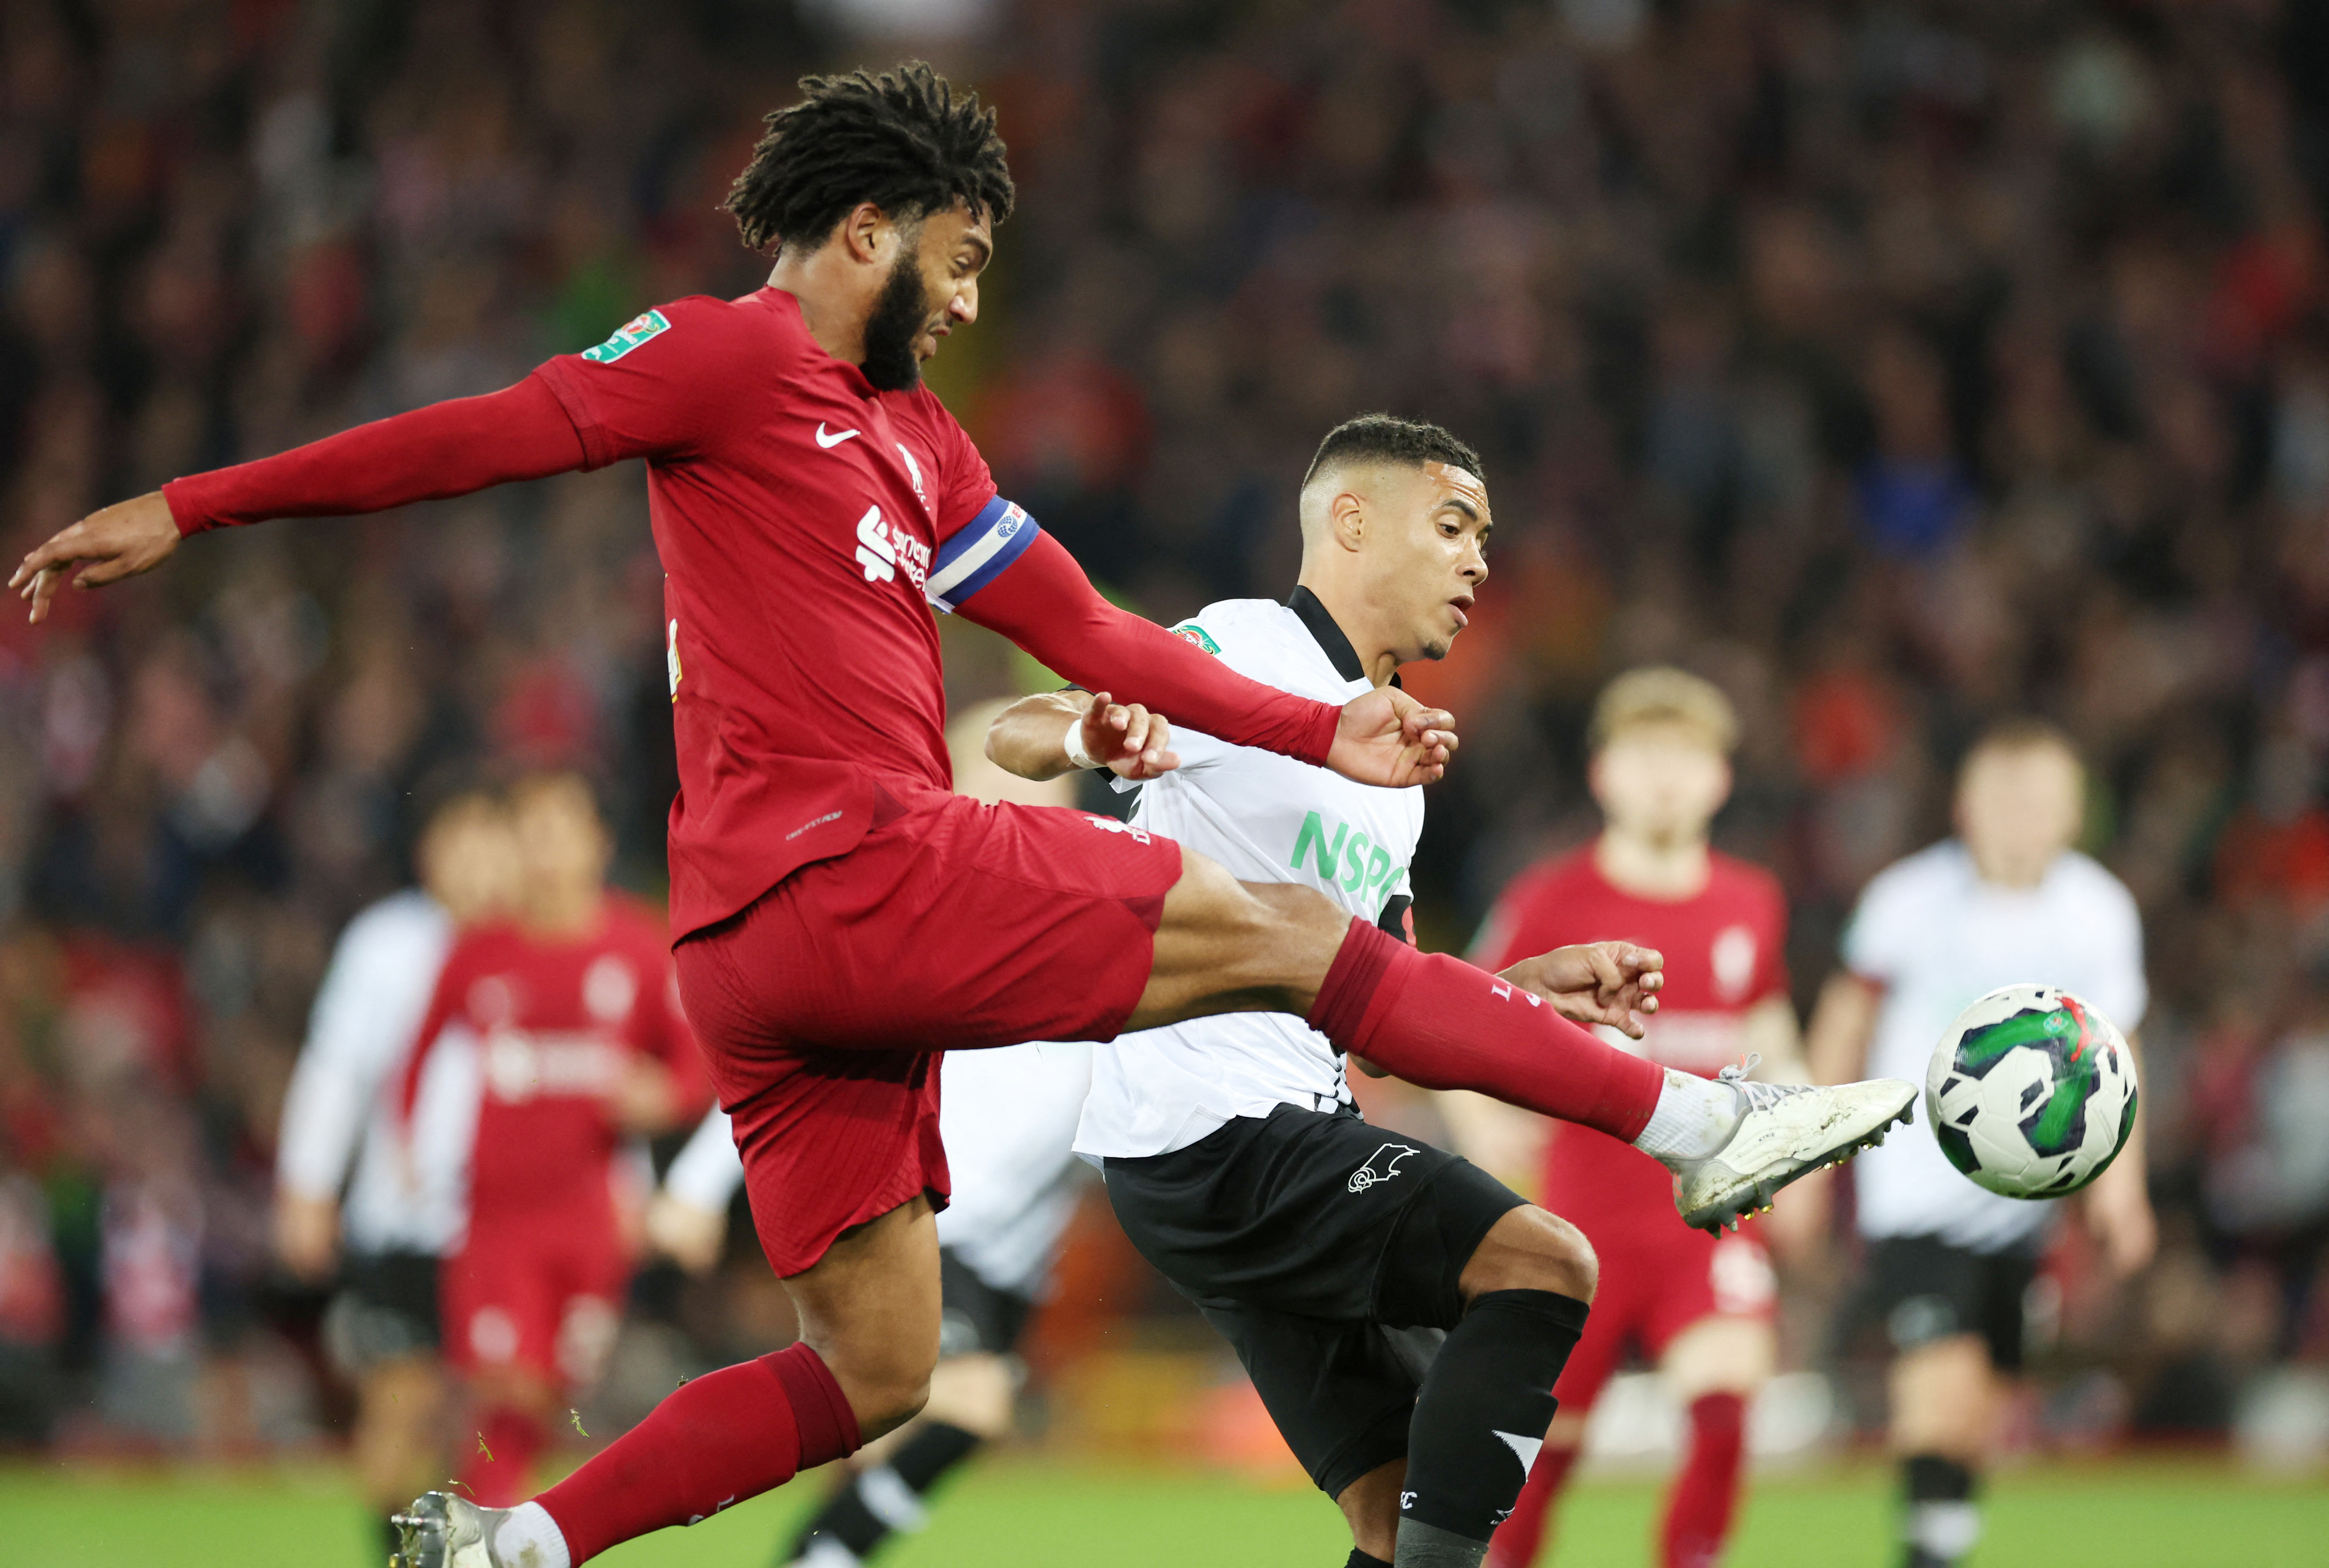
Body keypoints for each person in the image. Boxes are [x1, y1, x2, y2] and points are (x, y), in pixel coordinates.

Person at [10, 63, 1913, 1568]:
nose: (978, 296)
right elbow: (484, 430)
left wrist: (1312, 733)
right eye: (963, 260)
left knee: (882, 1367)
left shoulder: (921, 444)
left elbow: (1080, 627)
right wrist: (197, 500)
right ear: (866, 231)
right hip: (841, 862)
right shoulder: (729, 354)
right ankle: (1706, 1123)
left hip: (776, 966)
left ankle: (525, 1537)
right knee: (1270, 938)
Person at [984, 422, 1901, 1568]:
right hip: (1213, 1130)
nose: (1478, 562)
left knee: (1400, 1501)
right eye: (1454, 526)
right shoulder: (1244, 645)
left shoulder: (1395, 769)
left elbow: (1391, 1025)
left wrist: (1523, 993)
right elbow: (1020, 732)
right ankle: (1702, 1123)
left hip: (1251, 1143)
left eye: (1484, 538)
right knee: (1543, 1259)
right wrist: (1088, 726)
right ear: (1351, 523)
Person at [647, 700, 1100, 1568]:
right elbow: (795, 1049)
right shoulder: (913, 921)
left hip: (1012, 1252)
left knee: (872, 1429)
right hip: (922, 1216)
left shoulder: (1092, 932)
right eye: (994, 784)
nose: (1019, 807)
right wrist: (697, 1186)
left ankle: (816, 1551)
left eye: (1040, 785)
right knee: (968, 1405)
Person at [1459, 669, 1811, 1568]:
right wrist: (1480, 1126)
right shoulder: (1549, 900)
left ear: (1720, 780)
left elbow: (1772, 1037)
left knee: (1726, 1414)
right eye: (1645, 755)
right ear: (1602, 773)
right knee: (1538, 1462)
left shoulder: (1750, 903)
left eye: (1686, 758)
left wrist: (1805, 1150)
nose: (1665, 777)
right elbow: (1449, 1015)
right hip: (1579, 1223)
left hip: (1707, 1216)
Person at [1804, 719, 2156, 1568]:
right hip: (1915, 1184)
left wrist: (2122, 1186)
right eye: (2000, 796)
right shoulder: (1907, 898)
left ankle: (1940, 1540)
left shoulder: (2098, 909)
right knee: (1941, 1382)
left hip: (2025, 1203)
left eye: (2038, 799)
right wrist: (1808, 1154)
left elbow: (2115, 1056)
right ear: (1964, 806)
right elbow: (1846, 1017)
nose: (2017, 816)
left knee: (1981, 1405)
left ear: (2073, 812)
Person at [395, 773, 708, 1509]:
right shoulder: (481, 951)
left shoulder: (635, 946)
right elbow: (416, 1053)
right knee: (511, 1383)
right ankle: (493, 1535)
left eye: (560, 830)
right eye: (531, 832)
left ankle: (474, 1534)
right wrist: (408, 1144)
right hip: (498, 1219)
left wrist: (662, 1096)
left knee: (547, 1398)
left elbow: (696, 1067)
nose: (544, 850)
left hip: (592, 1220)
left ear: (596, 842)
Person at [273, 789, 516, 1561]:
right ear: (430, 850)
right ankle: (397, 1553)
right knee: (399, 1406)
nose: (481, 860)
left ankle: (454, 1556)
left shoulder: (537, 944)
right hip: (403, 1217)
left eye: (495, 840)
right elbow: (334, 1070)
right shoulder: (384, 945)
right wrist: (307, 1185)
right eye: (465, 838)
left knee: (493, 1414)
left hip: (510, 1222)